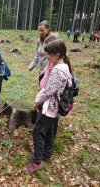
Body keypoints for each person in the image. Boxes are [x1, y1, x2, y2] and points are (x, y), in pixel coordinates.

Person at [24, 39, 72, 173]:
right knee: (50, 132)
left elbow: (49, 90)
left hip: (49, 108)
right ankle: (47, 154)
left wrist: (37, 100)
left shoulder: (57, 71)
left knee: (38, 132)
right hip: (55, 109)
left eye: (48, 55)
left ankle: (36, 161)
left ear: (57, 54)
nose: (47, 57)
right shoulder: (65, 67)